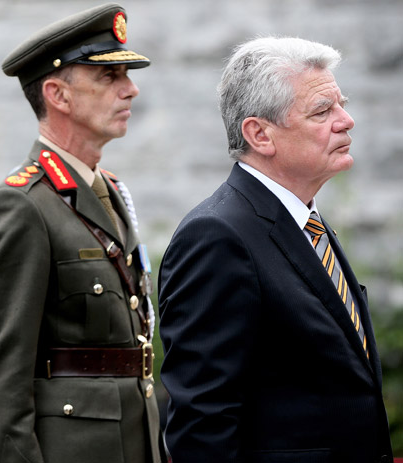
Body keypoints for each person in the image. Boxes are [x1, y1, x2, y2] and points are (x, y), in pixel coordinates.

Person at [158, 36, 393, 462]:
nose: (347, 120)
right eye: (322, 111)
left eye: (341, 104)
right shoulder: (217, 236)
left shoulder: (305, 222)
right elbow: (202, 423)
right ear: (260, 134)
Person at [0, 3, 164, 463]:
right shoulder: (21, 206)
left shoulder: (109, 192)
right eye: (108, 78)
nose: (131, 90)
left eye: (127, 76)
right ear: (57, 94)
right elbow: (1, 387)